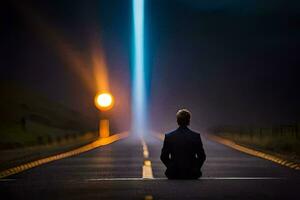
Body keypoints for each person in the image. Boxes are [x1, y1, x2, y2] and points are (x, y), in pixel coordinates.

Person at [160, 109, 206, 179]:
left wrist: (171, 167)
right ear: (189, 121)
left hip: (174, 173)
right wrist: (196, 168)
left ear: (177, 121)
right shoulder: (195, 136)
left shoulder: (169, 136)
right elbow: (202, 156)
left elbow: (163, 156)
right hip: (192, 173)